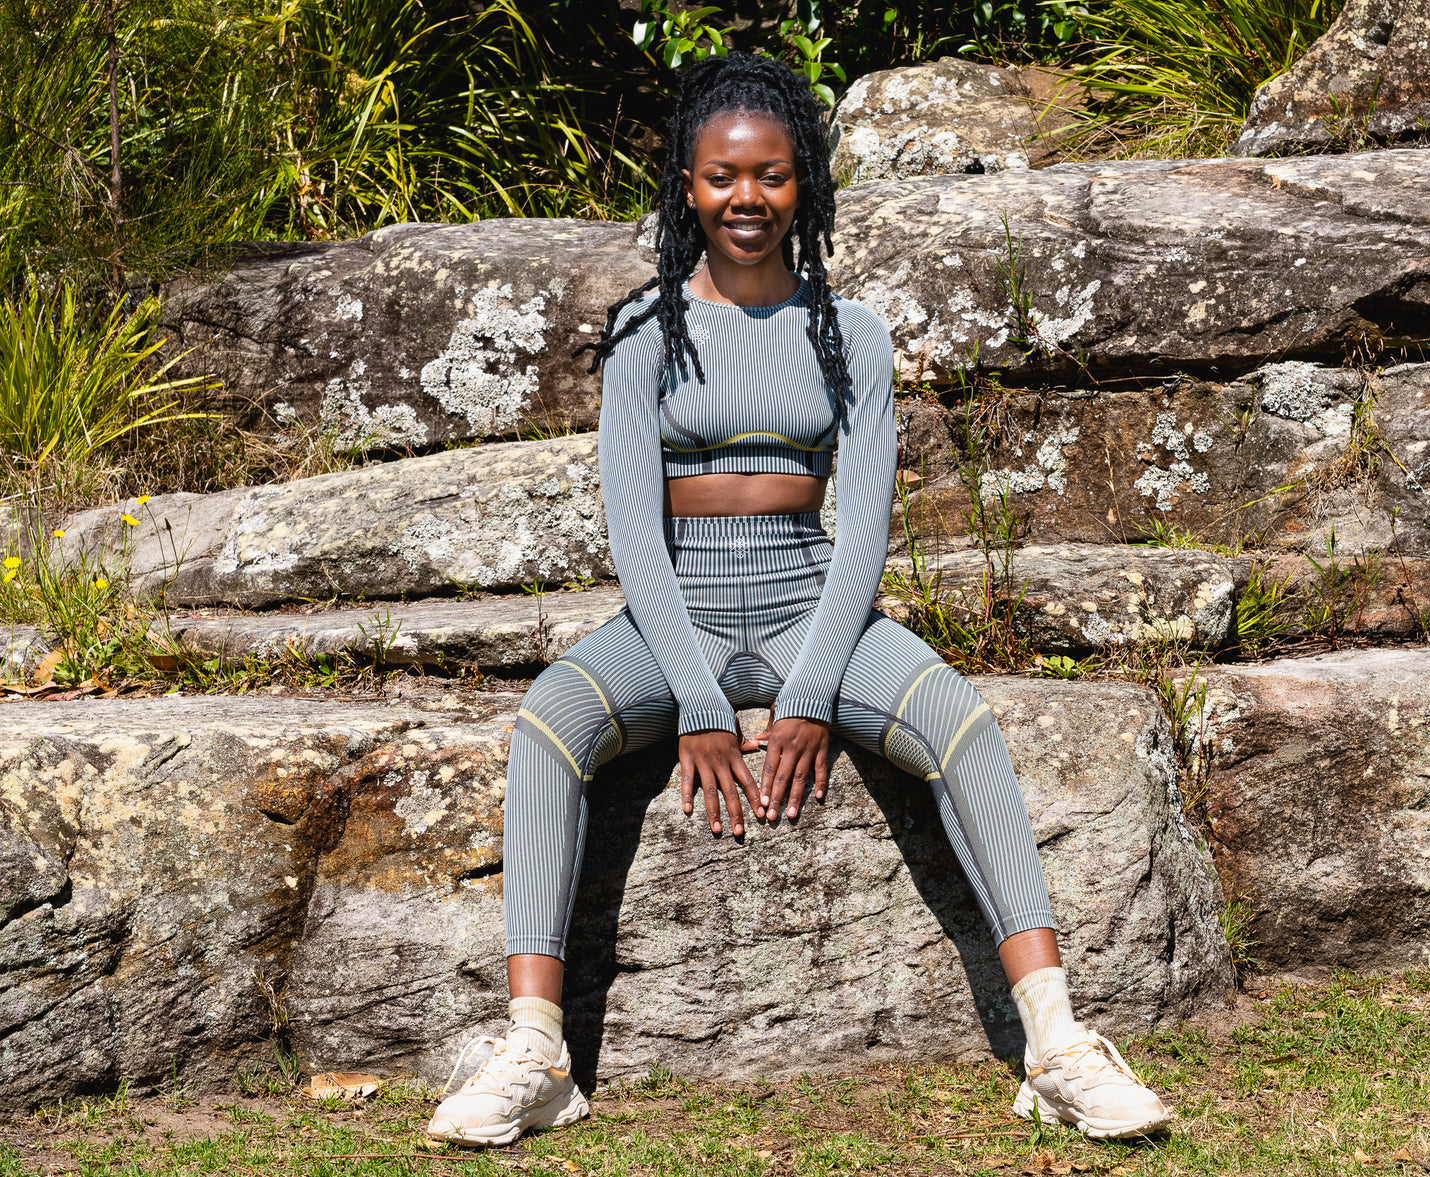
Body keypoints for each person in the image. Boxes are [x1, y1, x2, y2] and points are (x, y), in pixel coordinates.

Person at [426, 52, 1172, 1148]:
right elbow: (635, 532)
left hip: (804, 601)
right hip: (669, 613)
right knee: (550, 721)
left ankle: (1055, 1043)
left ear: (802, 185)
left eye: (770, 177)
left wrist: (811, 691)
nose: (745, 200)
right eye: (723, 177)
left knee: (960, 722)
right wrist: (695, 700)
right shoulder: (641, 334)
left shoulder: (851, 333)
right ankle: (535, 1050)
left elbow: (858, 530)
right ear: (687, 183)